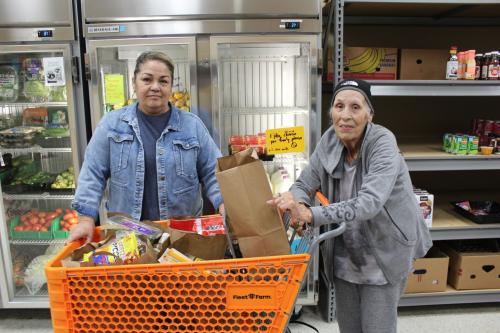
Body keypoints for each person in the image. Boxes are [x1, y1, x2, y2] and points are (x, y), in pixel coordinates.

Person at [268, 79, 432, 333]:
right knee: (350, 329)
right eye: (339, 106)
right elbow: (304, 183)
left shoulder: (382, 142)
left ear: (370, 114)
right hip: (345, 255)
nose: (345, 115)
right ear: (331, 111)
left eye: (355, 107)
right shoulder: (329, 141)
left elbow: (369, 204)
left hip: (383, 254)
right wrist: (297, 203)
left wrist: (310, 214)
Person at [68, 51, 223, 243]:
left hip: (181, 236)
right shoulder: (112, 124)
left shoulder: (192, 126)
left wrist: (225, 204)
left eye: (163, 81)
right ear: (134, 83)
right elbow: (92, 172)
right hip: (127, 237)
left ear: (171, 85)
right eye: (147, 79)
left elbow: (214, 172)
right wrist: (85, 219)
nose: (155, 87)